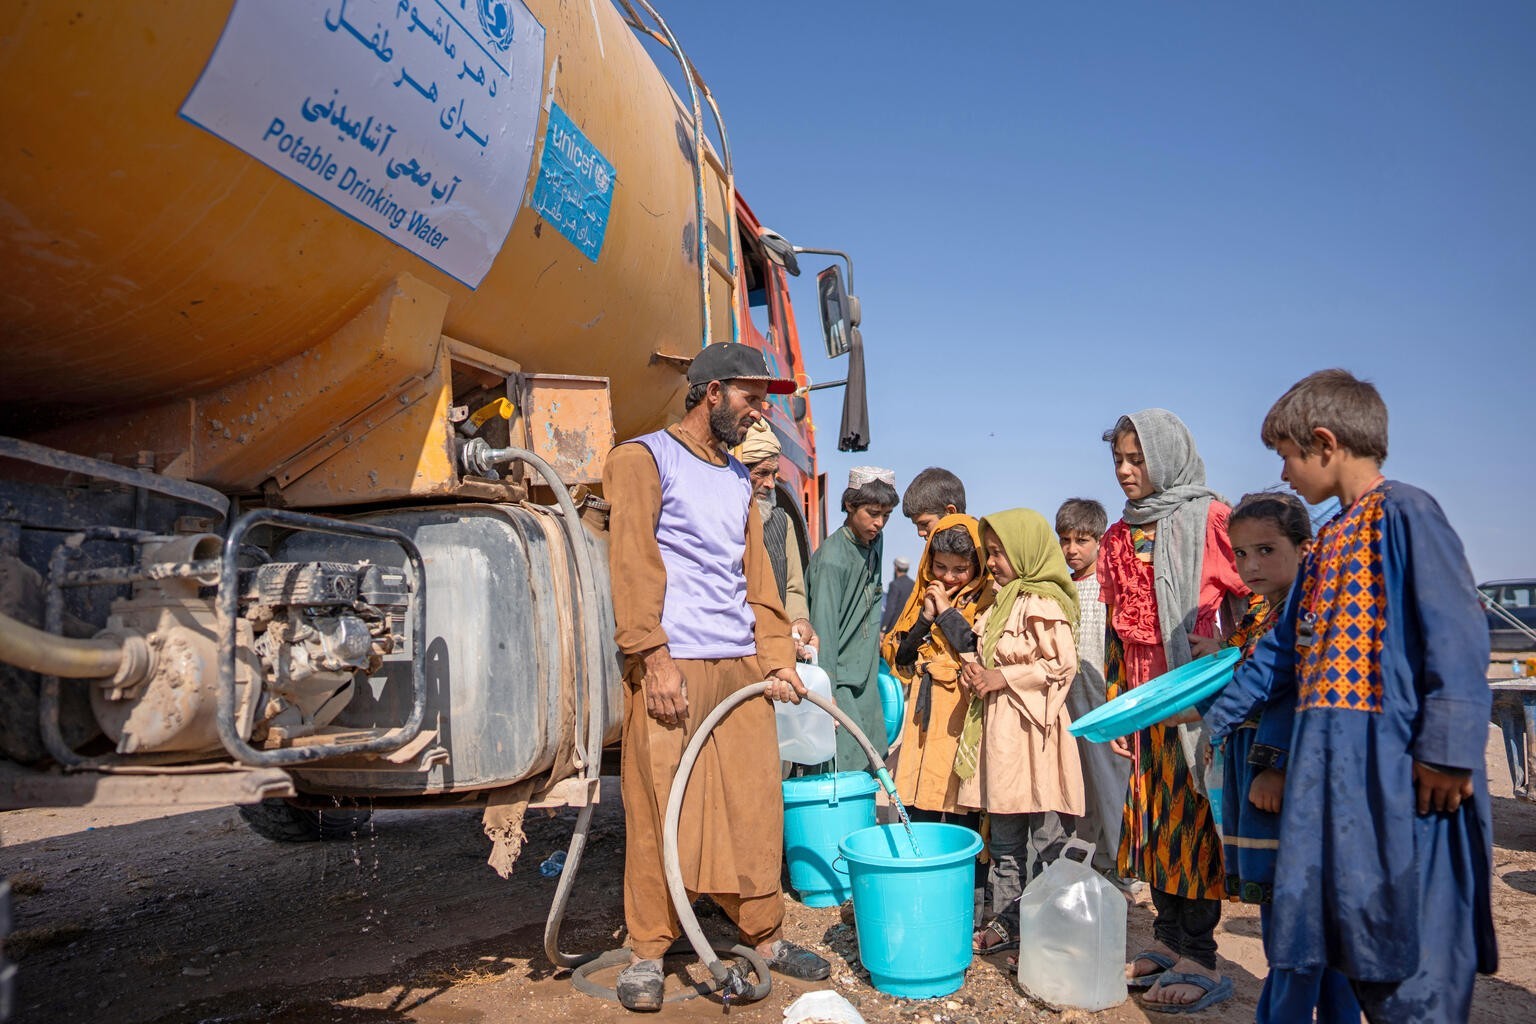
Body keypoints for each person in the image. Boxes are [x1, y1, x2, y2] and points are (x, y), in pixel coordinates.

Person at [1204, 370, 1497, 1023]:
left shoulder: (1406, 514)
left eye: (1286, 455)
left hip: (1400, 773)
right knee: (1346, 931)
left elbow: (1457, 633)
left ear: (1325, 443)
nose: (1283, 473)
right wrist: (1213, 717)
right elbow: (1279, 652)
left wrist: (1448, 751)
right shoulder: (1328, 543)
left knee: (1414, 948)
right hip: (1328, 775)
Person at [602, 342, 830, 1011]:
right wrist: (654, 657)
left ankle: (763, 936)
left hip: (739, 669)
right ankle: (649, 950)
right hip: (675, 665)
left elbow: (757, 585)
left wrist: (778, 661)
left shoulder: (737, 479)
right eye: (753, 397)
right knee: (660, 806)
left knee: (755, 803)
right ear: (712, 391)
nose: (762, 411)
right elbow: (634, 565)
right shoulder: (643, 459)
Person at [1097, 409, 1248, 1014]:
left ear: (1168, 456)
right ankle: (1165, 938)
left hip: (1197, 711)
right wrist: (1117, 708)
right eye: (1119, 460)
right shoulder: (1115, 536)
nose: (1127, 471)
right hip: (1144, 707)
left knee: (1194, 828)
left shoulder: (1213, 519)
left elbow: (1253, 604)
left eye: (1139, 459)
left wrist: (1232, 662)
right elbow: (1117, 635)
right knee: (1153, 824)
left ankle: (1201, 955)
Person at [1194, 492, 1360, 1022]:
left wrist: (1274, 763)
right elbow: (1247, 685)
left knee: (1295, 931)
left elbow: (1298, 693)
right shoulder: (1267, 613)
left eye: (1266, 550)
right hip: (1259, 778)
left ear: (1305, 548)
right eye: (1241, 554)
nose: (1250, 565)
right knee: (1303, 928)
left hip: (1287, 785)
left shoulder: (1306, 612)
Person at [958, 508, 1083, 956]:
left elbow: (1060, 667)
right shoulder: (1000, 603)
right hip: (1003, 736)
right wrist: (975, 673)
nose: (990, 562)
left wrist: (1003, 678)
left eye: (998, 553)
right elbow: (985, 658)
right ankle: (1010, 923)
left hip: (1037, 735)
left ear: (1025, 552)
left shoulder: (1043, 603)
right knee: (1005, 839)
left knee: (1049, 837)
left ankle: (1060, 927)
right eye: (988, 553)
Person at [880, 515, 992, 826]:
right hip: (924, 720)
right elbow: (902, 655)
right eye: (941, 567)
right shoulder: (923, 596)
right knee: (921, 800)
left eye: (960, 569)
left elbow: (975, 649)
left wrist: (945, 612)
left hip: (962, 712)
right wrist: (926, 617)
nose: (949, 576)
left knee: (963, 806)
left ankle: (970, 875)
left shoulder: (987, 599)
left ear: (977, 565)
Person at [1054, 497, 1130, 885]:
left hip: (1105, 693)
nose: (1072, 549)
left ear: (1100, 540)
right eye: (1065, 540)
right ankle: (1097, 856)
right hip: (1072, 696)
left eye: (1081, 540)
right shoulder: (1063, 586)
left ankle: (1124, 861)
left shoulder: (1109, 583)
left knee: (1113, 779)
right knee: (1082, 781)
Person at [807, 467, 898, 770]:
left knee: (871, 765)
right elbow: (825, 634)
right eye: (872, 513)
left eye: (886, 515)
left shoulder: (876, 541)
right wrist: (826, 695)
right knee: (843, 768)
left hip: (865, 678)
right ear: (849, 506)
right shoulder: (832, 560)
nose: (879, 523)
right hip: (838, 681)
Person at [732, 419, 817, 656]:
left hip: (775, 648)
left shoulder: (783, 522)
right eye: (761, 473)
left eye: (774, 473)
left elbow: (793, 588)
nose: (770, 484)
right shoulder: (723, 521)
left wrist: (799, 621)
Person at [901, 466, 967, 539]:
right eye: (917, 525)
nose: (920, 533)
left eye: (925, 524)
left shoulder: (979, 548)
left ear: (950, 513)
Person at [880, 557, 914, 634]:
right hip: (908, 628)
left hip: (893, 629)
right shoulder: (913, 584)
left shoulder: (894, 585)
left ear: (896, 567)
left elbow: (890, 609)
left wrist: (883, 629)